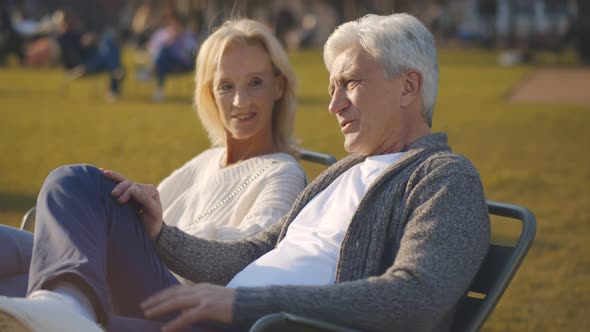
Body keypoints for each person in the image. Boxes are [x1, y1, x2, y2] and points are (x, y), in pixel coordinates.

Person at [0, 13, 490, 332]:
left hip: (253, 325)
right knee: (78, 181)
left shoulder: (444, 179)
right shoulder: (344, 171)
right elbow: (255, 251)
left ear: (408, 87)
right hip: (211, 315)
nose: (334, 104)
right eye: (332, 87)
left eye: (352, 84)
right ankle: (67, 307)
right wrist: (162, 235)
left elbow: (417, 297)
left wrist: (245, 307)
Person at [0, 18, 305, 331]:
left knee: (75, 183)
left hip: (188, 307)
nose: (240, 101)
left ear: (279, 86)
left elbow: (252, 261)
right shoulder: (205, 162)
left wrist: (161, 233)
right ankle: (65, 308)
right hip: (134, 284)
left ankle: (64, 306)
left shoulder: (283, 173)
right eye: (226, 86)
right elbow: (145, 228)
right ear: (210, 93)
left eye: (255, 82)